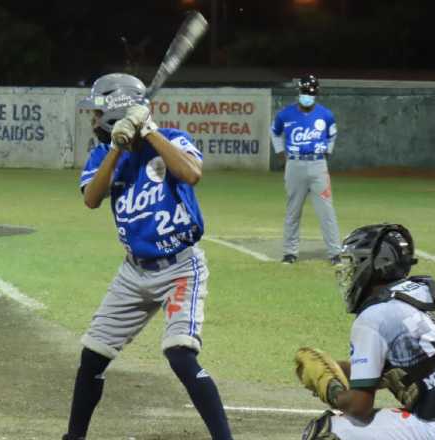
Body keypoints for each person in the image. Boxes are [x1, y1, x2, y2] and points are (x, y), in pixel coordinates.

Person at [62, 73, 233, 440]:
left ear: (115, 110)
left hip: (180, 268)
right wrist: (117, 148)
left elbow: (191, 173)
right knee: (92, 357)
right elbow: (92, 199)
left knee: (180, 355)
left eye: (97, 113)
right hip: (133, 272)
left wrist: (150, 131)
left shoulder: (170, 139)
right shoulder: (102, 154)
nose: (93, 120)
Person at [298, 224, 435, 440]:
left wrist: (332, 390)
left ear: (374, 265)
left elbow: (359, 407)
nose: (351, 270)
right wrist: (340, 369)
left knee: (326, 431)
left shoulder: (373, 317)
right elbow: (422, 367)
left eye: (355, 262)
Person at [270, 75, 341, 265]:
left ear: (315, 94)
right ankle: (289, 252)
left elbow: (332, 136)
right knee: (293, 211)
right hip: (294, 165)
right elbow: (275, 133)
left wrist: (327, 152)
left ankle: (335, 252)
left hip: (318, 165)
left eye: (311, 93)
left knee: (326, 210)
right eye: (304, 92)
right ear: (299, 93)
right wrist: (281, 153)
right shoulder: (285, 115)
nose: (307, 96)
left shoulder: (326, 115)